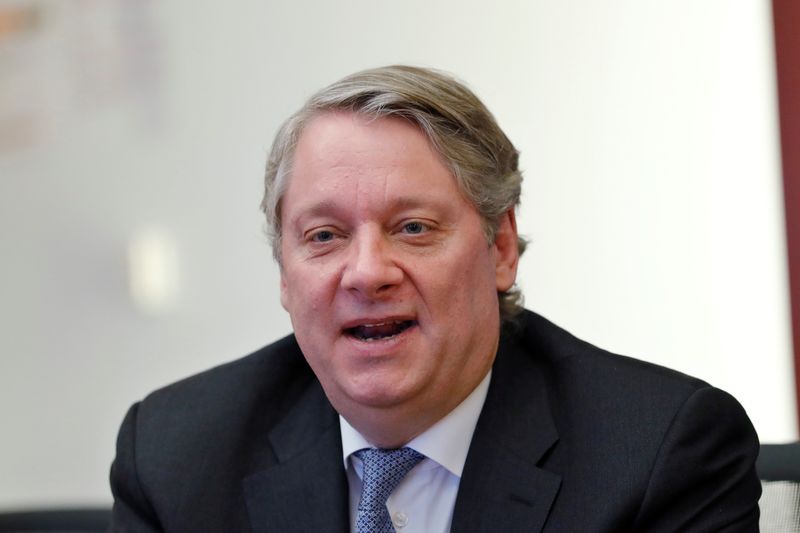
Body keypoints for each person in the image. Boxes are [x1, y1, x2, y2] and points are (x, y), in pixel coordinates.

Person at [109, 65, 761, 532]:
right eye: (325, 235)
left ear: (500, 247)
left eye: (413, 228)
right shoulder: (176, 457)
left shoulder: (660, 454)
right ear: (284, 273)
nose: (366, 273)